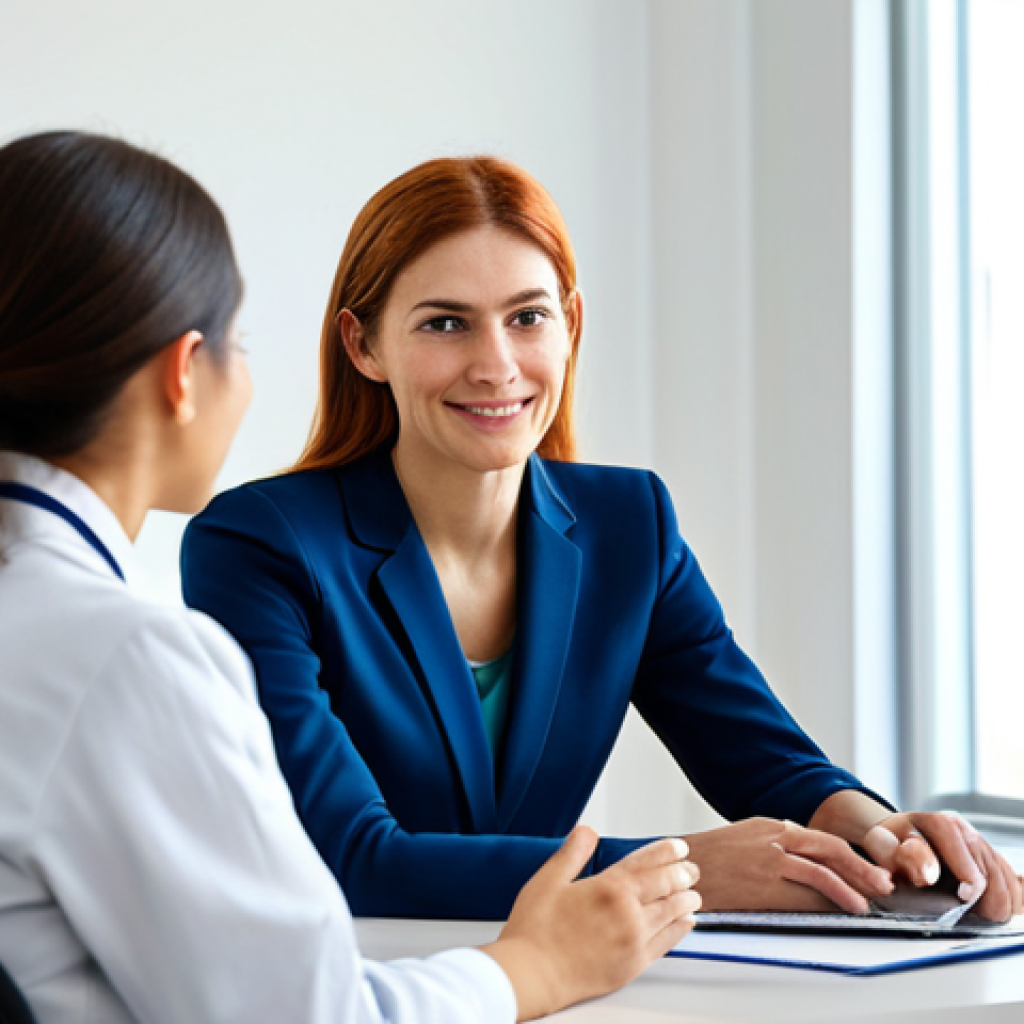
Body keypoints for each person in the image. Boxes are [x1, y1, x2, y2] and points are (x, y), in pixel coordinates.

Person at [181, 156, 1023, 924]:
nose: (496, 365)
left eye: (527, 317)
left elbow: (765, 762)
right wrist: (687, 870)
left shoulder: (631, 526)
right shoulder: (259, 546)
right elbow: (353, 858)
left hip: (557, 987)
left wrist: (882, 834)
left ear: (572, 324)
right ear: (364, 345)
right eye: (445, 324)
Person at [0, 131, 703, 1024]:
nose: (495, 363)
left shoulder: (45, 626)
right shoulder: (126, 658)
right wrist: (538, 966)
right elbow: (309, 1013)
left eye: (528, 317)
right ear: (186, 371)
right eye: (237, 339)